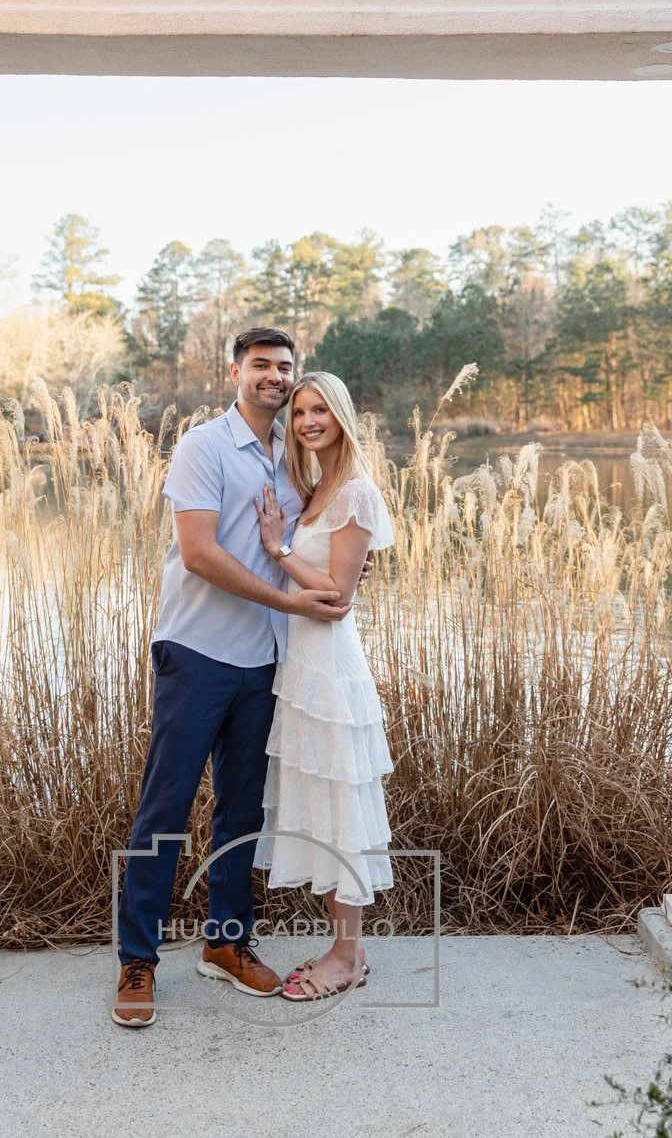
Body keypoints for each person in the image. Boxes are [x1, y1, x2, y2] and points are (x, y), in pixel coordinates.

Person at [113, 328, 353, 1028]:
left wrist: (336, 572)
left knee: (242, 815)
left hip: (265, 662)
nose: (274, 378)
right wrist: (288, 599)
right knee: (166, 808)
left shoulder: (295, 453)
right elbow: (197, 553)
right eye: (261, 366)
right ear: (236, 371)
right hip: (197, 652)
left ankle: (227, 944)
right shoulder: (204, 447)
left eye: (284, 367)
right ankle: (138, 958)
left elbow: (317, 539)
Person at [253, 370, 395, 1001]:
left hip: (331, 670)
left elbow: (336, 596)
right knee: (319, 804)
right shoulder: (314, 490)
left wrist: (276, 548)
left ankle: (345, 956)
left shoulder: (356, 494)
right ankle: (347, 946)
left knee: (340, 808)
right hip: (301, 670)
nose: (308, 421)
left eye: (320, 411)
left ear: (341, 416)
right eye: (301, 412)